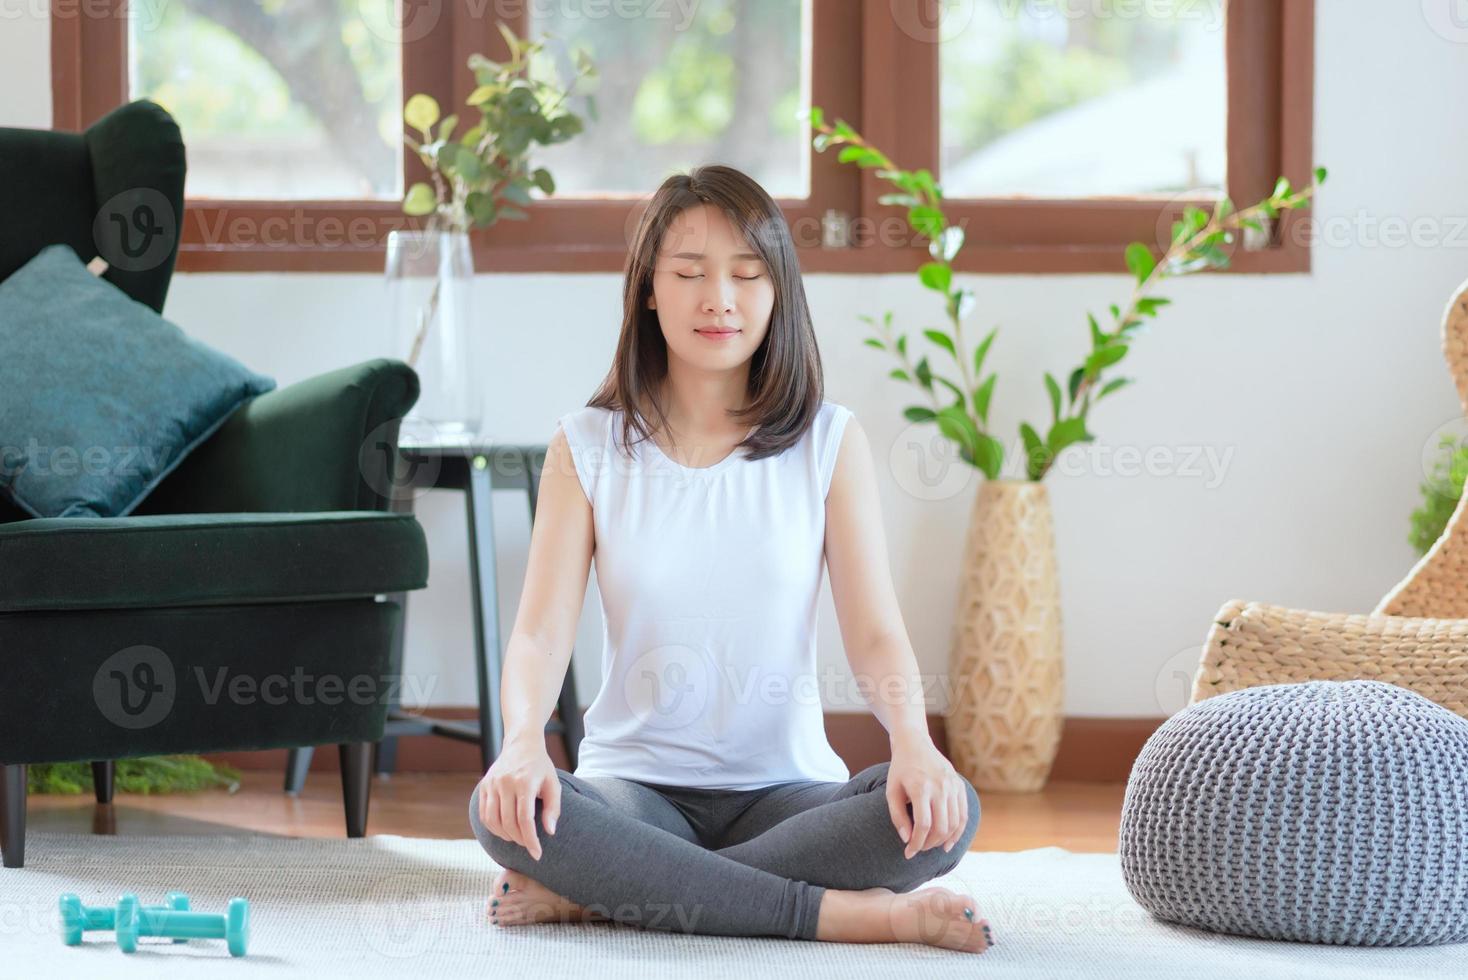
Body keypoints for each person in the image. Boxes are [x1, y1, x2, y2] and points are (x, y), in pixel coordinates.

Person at [468, 164, 990, 954]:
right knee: (502, 813)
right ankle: (847, 916)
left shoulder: (828, 443)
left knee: (943, 816)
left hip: (787, 793)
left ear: (777, 291)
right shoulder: (585, 447)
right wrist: (519, 745)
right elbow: (539, 635)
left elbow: (875, 630)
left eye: (747, 275)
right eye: (689, 273)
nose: (720, 298)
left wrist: (915, 746)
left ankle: (613, 894)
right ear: (648, 289)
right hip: (632, 792)